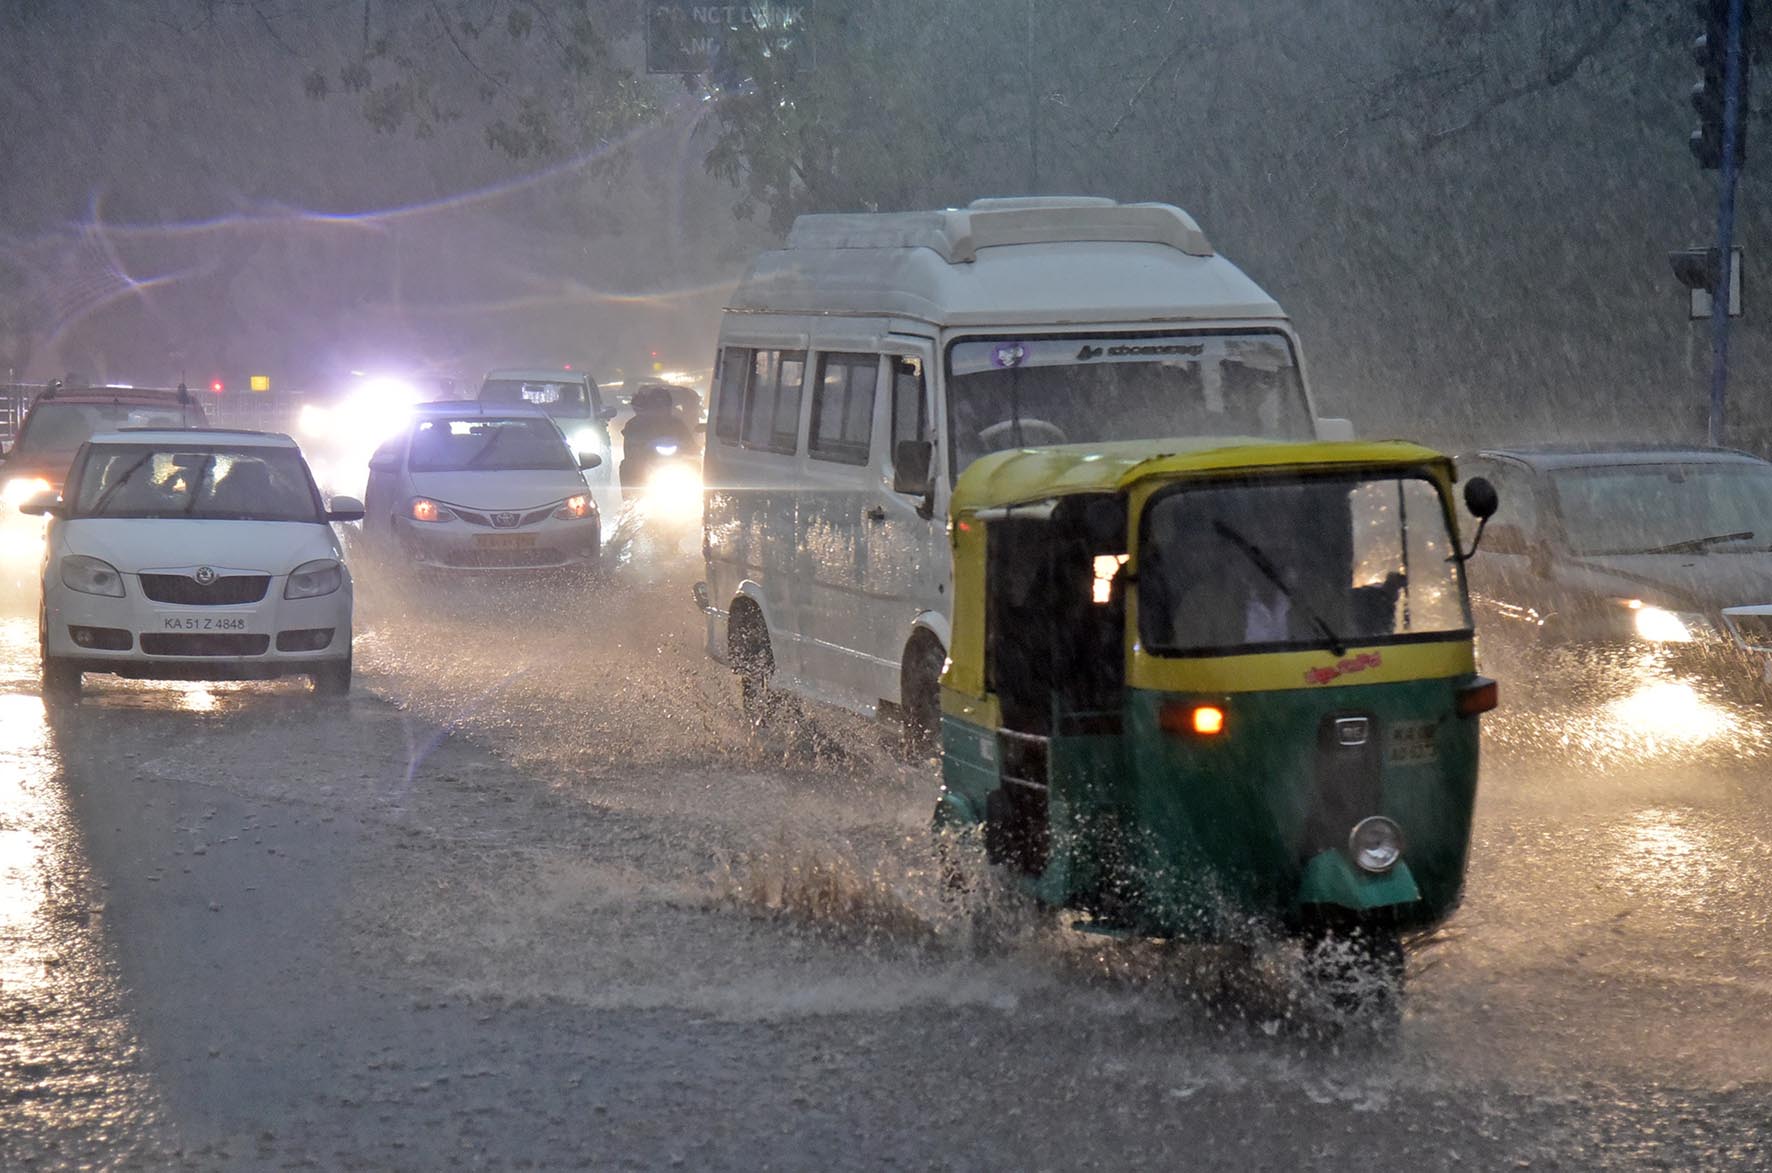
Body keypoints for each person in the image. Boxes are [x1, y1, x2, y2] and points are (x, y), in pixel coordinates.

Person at [619, 384, 695, 491]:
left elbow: (690, 443)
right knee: (627, 467)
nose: (661, 410)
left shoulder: (677, 424)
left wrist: (693, 452)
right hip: (645, 466)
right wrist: (637, 452)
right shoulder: (635, 424)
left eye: (664, 406)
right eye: (657, 406)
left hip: (675, 464)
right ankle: (631, 497)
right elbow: (630, 449)